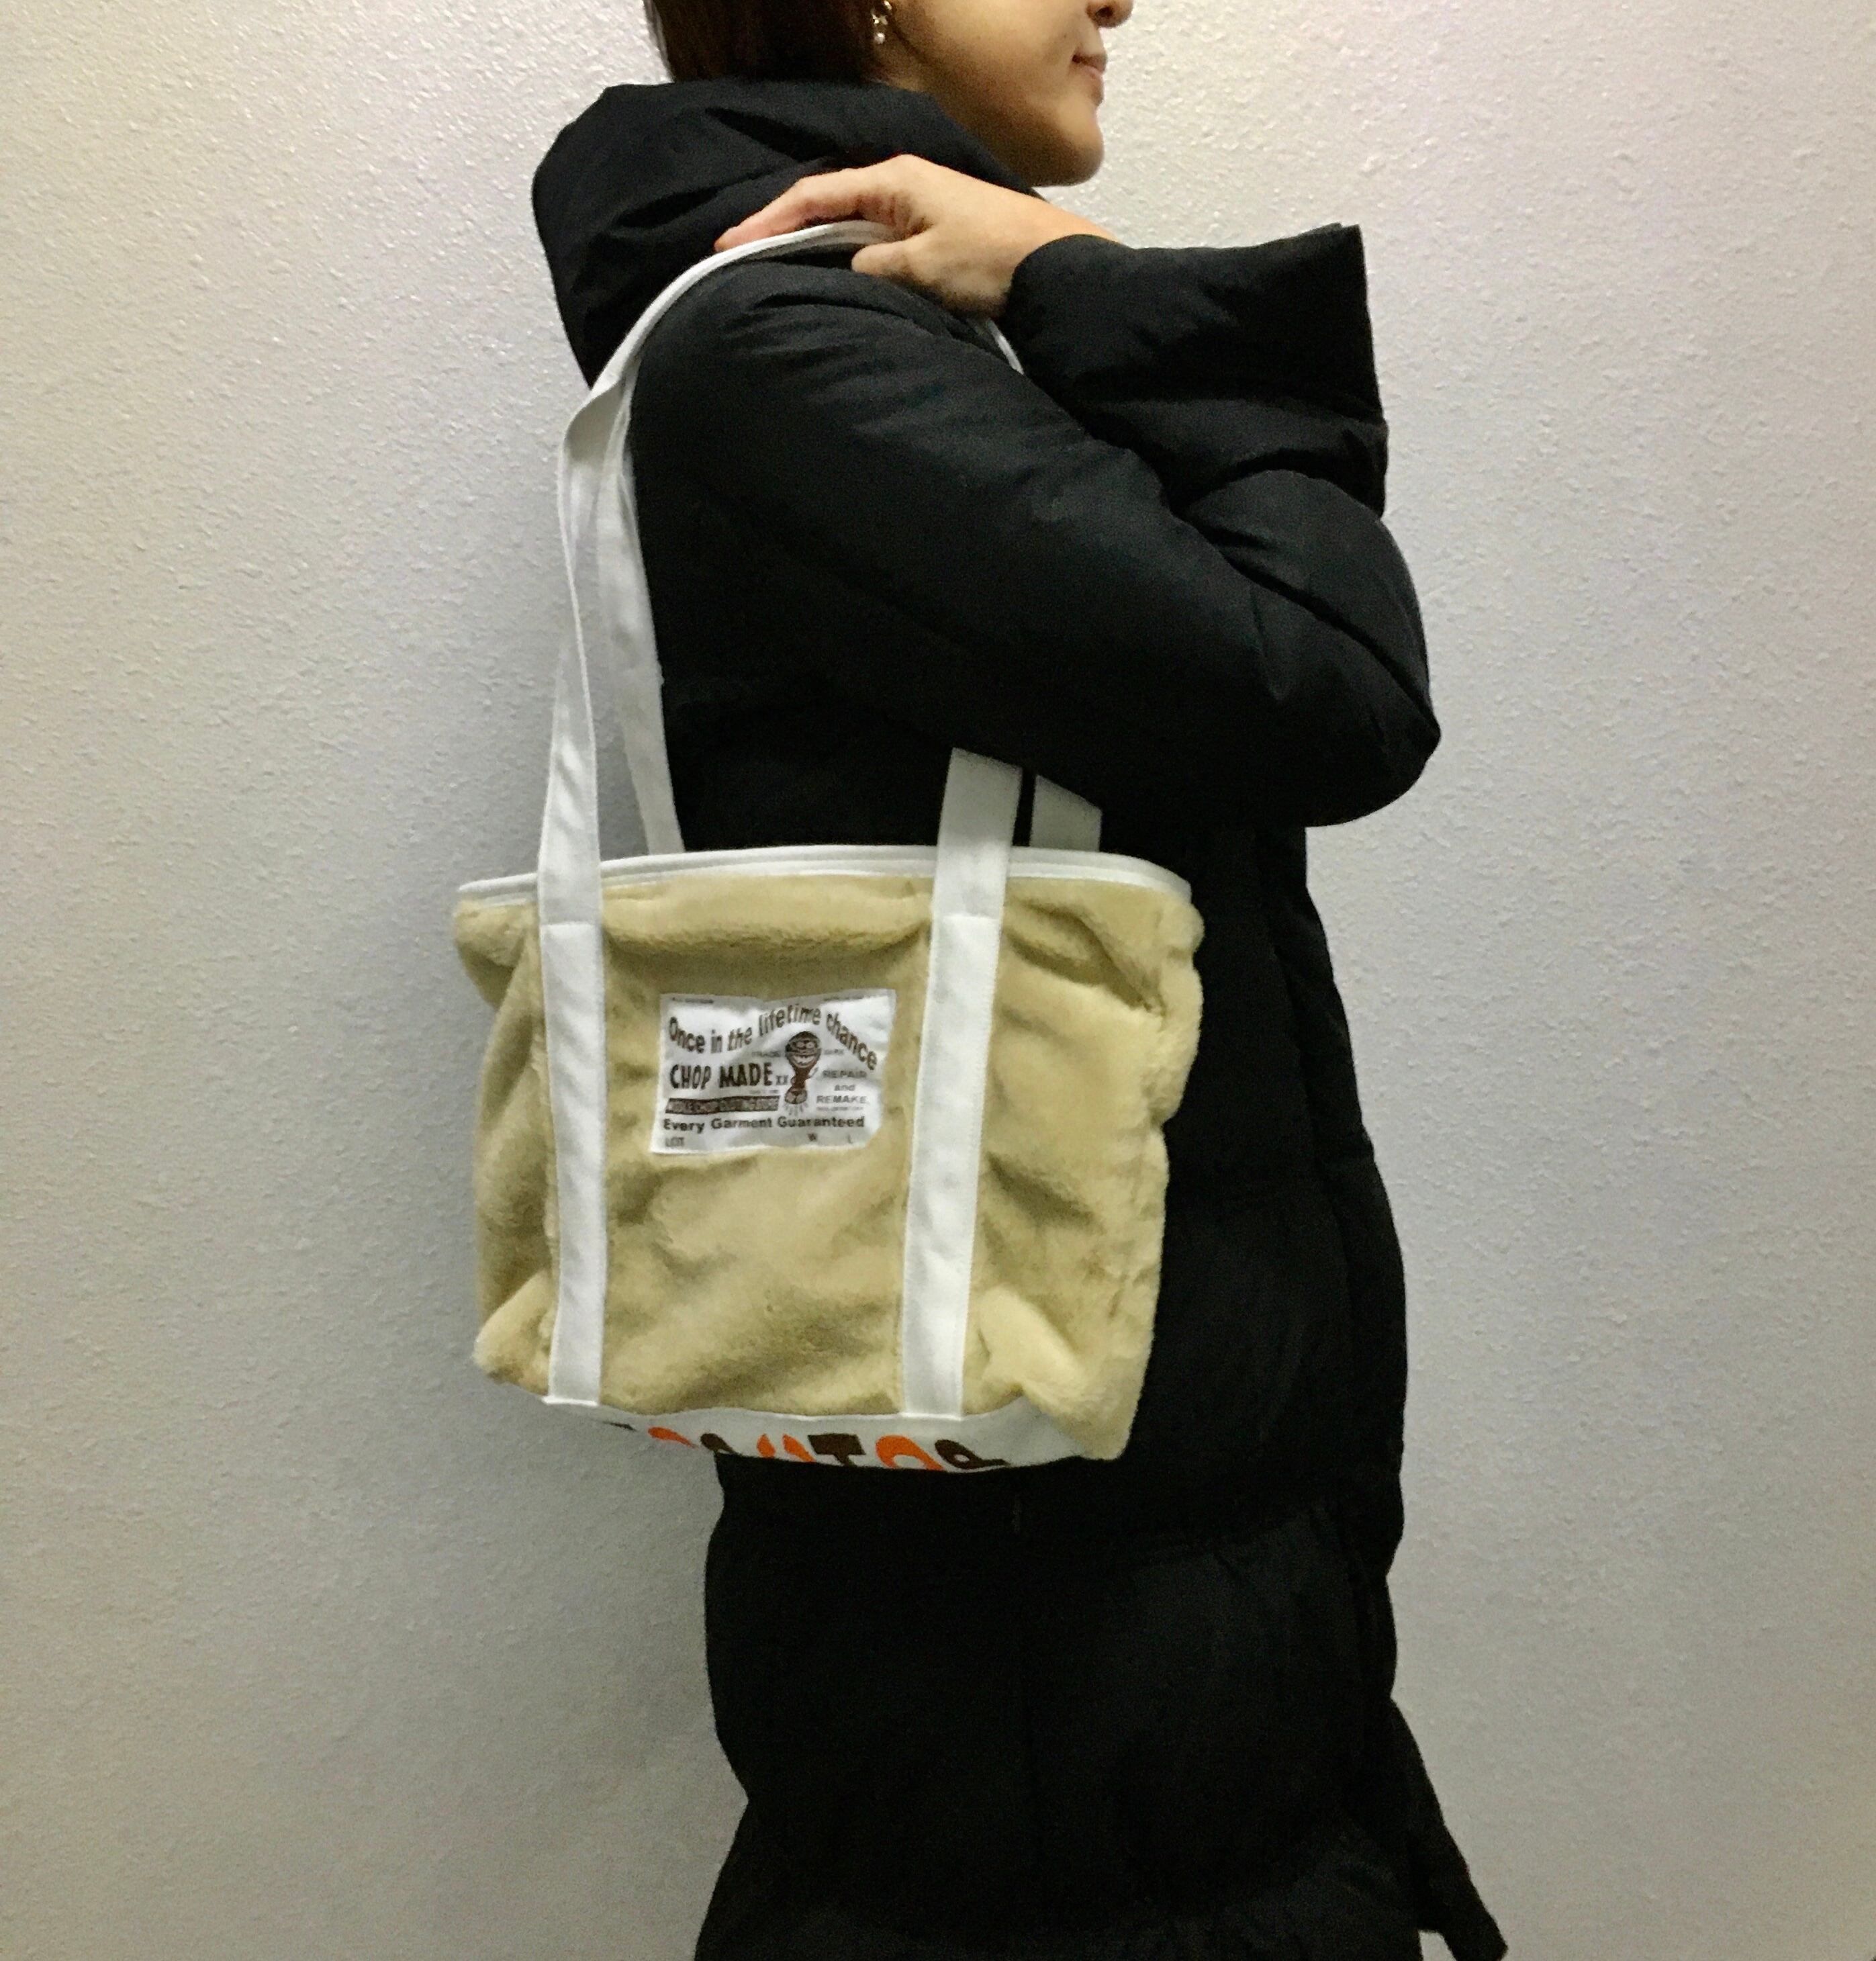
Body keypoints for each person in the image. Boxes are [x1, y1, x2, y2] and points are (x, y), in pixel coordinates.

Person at [530, 1, 1509, 1955]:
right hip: (1058, 1672)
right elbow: (1323, 685)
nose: (1117, 0)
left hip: (1101, 1599)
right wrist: (1090, 280)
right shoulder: (784, 355)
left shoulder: (876, 343)